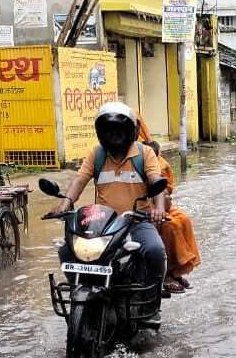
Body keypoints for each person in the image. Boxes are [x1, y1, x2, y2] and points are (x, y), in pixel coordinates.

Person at [47, 102, 168, 287]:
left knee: (155, 250)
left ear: (130, 131)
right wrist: (65, 203)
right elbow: (79, 180)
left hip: (136, 222)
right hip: (102, 225)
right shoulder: (97, 154)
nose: (114, 135)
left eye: (119, 130)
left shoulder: (145, 153)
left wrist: (158, 209)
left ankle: (152, 297)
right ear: (101, 133)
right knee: (67, 250)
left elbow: (155, 179)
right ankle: (77, 288)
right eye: (109, 130)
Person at [136, 118, 200, 294]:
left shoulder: (155, 162)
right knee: (170, 227)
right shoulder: (105, 156)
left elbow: (162, 191)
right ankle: (163, 275)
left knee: (183, 219)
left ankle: (174, 270)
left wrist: (160, 205)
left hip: (153, 206)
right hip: (133, 211)